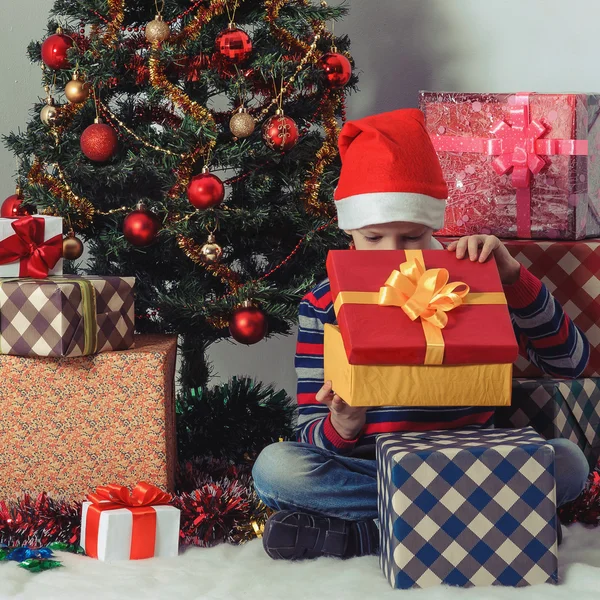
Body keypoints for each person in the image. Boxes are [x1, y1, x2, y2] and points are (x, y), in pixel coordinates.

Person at [252, 109, 591, 561]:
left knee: (569, 462)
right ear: (348, 231)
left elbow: (571, 363)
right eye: (373, 237)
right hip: (371, 466)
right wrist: (342, 426)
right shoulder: (322, 304)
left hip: (468, 461)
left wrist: (511, 278)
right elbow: (306, 428)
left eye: (411, 237)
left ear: (435, 227)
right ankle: (481, 518)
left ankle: (366, 537)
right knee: (276, 469)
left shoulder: (472, 275)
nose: (393, 255)